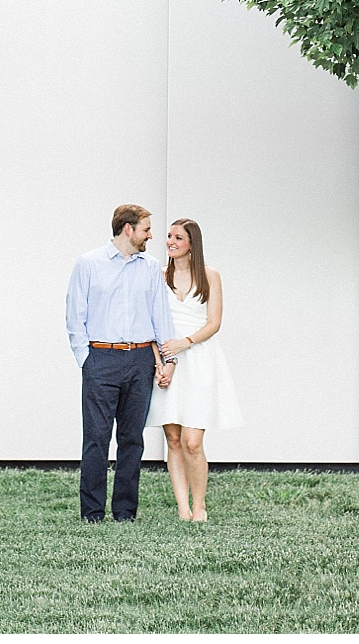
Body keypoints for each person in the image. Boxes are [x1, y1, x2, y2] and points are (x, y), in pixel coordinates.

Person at [64, 203, 177, 522]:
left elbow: (161, 316)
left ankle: (126, 511)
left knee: (132, 439)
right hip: (101, 359)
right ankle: (92, 512)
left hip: (141, 360)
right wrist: (87, 359)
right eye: (146, 229)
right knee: (96, 438)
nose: (151, 236)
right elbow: (75, 315)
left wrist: (168, 360)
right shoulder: (89, 263)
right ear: (128, 229)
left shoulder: (151, 266)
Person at [146, 217, 242, 521]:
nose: (170, 242)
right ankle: (183, 508)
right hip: (167, 363)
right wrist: (160, 362)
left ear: (192, 244)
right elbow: (149, 324)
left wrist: (185, 343)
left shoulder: (210, 276)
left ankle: (200, 504)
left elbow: (214, 323)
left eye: (178, 238)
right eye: (169, 237)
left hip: (199, 359)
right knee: (172, 438)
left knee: (192, 440)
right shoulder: (158, 276)